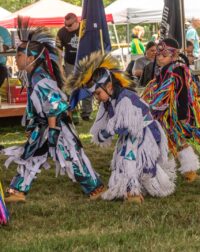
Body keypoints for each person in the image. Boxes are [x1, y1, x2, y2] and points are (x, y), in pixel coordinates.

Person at [1, 16, 104, 203]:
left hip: (57, 125)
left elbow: (54, 106)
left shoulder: (41, 79)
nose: (16, 59)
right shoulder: (34, 76)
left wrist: (54, 131)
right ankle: (17, 190)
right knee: (31, 154)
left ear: (31, 58)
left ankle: (95, 188)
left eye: (19, 55)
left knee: (72, 156)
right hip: (44, 126)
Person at [67, 51, 176, 203]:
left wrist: (108, 132)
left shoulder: (126, 98)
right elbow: (103, 125)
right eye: (95, 95)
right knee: (122, 158)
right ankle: (129, 188)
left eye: (98, 93)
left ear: (109, 86)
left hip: (145, 133)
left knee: (128, 157)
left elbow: (125, 125)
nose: (96, 98)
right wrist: (102, 133)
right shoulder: (109, 101)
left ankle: (133, 192)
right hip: (133, 133)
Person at [142, 38, 200, 182]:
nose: (160, 58)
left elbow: (183, 94)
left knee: (171, 142)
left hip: (176, 115)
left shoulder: (177, 69)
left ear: (174, 55)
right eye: (158, 55)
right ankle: (188, 170)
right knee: (174, 141)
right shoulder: (165, 69)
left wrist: (181, 115)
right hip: (165, 114)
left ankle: (175, 172)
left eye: (164, 55)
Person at [56, 13, 92, 121]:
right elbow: (58, 50)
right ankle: (71, 111)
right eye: (65, 25)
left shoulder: (85, 29)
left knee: (87, 87)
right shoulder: (61, 32)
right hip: (70, 63)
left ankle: (86, 113)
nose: (67, 27)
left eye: (70, 25)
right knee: (70, 88)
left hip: (85, 63)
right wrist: (60, 66)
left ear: (77, 22)